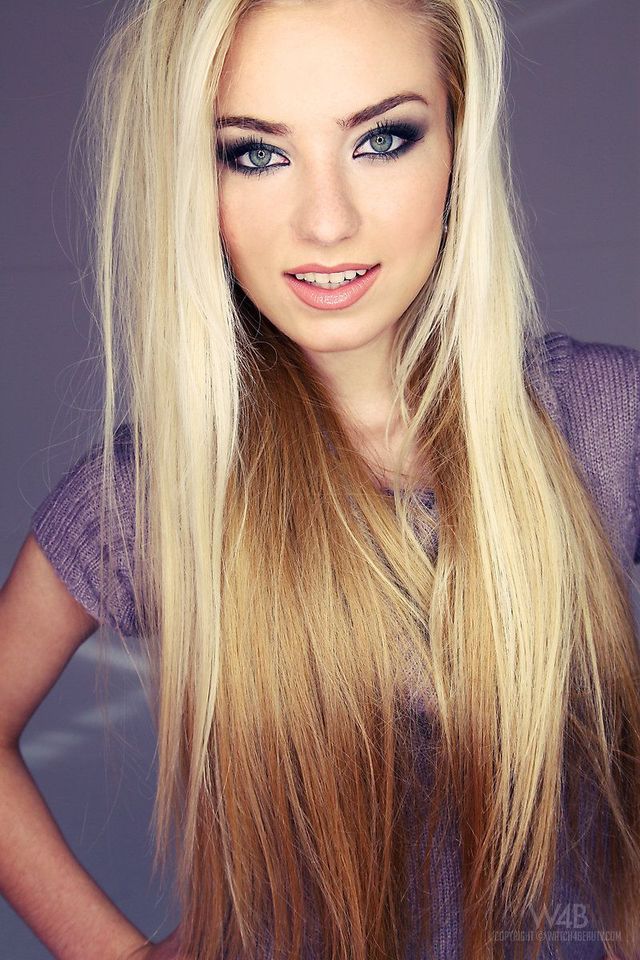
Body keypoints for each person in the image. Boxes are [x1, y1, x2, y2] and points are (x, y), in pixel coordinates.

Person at [1, 0, 639, 958]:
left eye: (382, 139)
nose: (327, 220)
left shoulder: (604, 423)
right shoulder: (156, 494)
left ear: (458, 144)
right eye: (255, 153)